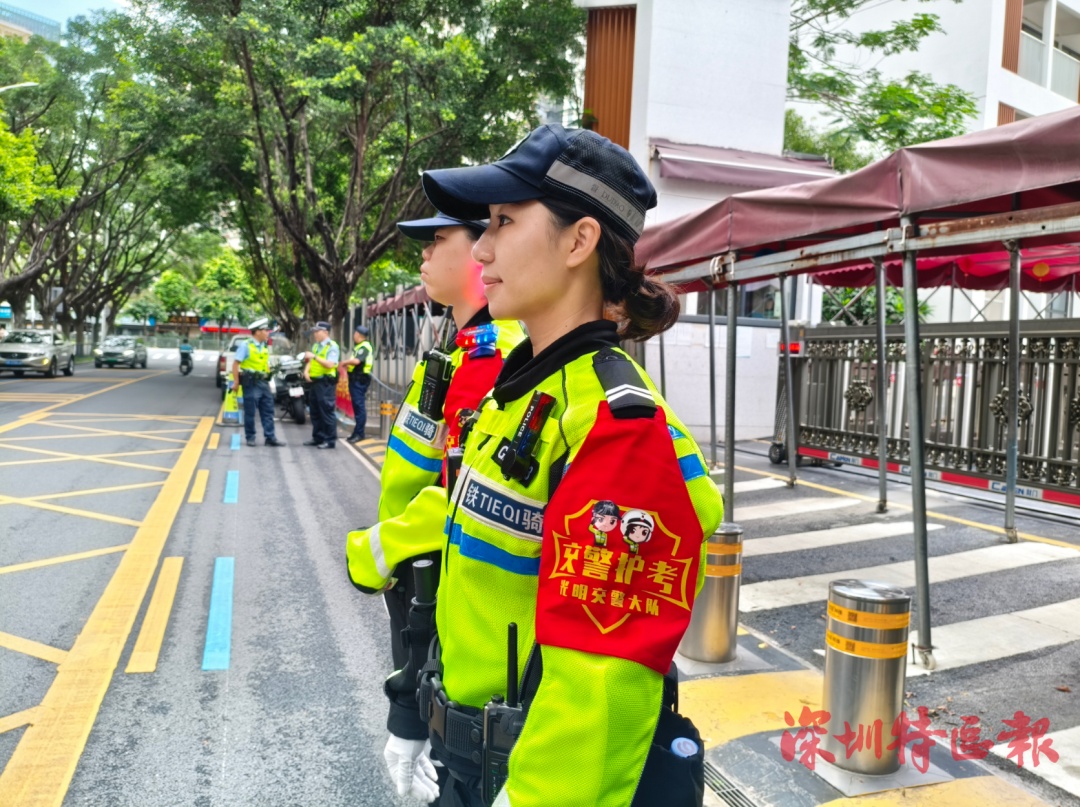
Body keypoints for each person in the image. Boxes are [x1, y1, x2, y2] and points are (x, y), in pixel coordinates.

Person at [411, 124, 725, 807]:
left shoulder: (615, 428)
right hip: (466, 759)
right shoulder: (521, 394)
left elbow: (602, 684)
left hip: (530, 779)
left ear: (579, 240)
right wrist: (412, 708)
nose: (483, 248)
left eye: (503, 221)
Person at [345, 213, 525, 803]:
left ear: (483, 255)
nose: (423, 256)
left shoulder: (494, 362)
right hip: (427, 610)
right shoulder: (455, 352)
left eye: (437, 241)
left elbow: (456, 521)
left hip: (454, 625)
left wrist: (381, 548)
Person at [231, 319, 285, 447]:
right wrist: (236, 382)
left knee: (268, 410)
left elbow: (265, 363)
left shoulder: (264, 345)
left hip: (263, 382)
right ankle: (251, 437)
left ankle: (270, 437)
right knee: (250, 411)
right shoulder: (246, 345)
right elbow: (236, 364)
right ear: (258, 332)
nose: (268, 333)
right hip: (250, 382)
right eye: (266, 330)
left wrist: (269, 375)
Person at [303, 321, 340, 449]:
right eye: (314, 331)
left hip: (325, 384)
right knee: (315, 411)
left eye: (317, 331)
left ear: (325, 332)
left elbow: (330, 364)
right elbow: (310, 361)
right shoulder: (316, 346)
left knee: (327, 411)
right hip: (315, 383)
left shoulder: (332, 346)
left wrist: (314, 357)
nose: (315, 334)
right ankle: (318, 437)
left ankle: (330, 440)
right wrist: (306, 371)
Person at [342, 325, 374, 444]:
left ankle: (360, 433)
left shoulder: (364, 347)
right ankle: (357, 432)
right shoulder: (360, 346)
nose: (353, 336)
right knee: (357, 407)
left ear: (358, 335)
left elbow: (356, 361)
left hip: (359, 380)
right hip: (356, 380)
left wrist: (344, 362)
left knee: (359, 407)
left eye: (354, 333)